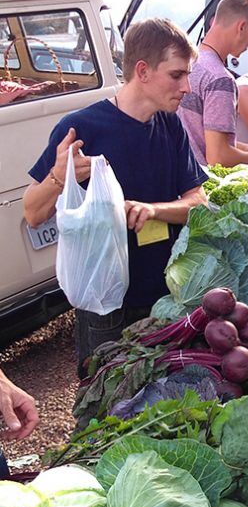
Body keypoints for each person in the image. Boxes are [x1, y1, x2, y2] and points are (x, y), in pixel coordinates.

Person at [23, 19, 208, 378]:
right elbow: (33, 213)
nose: (186, 86)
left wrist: (153, 209)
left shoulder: (170, 124)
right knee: (105, 407)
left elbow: (197, 201)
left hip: (164, 296)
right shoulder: (83, 128)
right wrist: (60, 177)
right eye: (176, 75)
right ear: (143, 71)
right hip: (105, 307)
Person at [178, 0, 248, 169]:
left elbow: (203, 136)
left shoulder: (188, 63)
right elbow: (218, 156)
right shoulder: (220, 79)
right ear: (241, 27)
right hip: (202, 182)